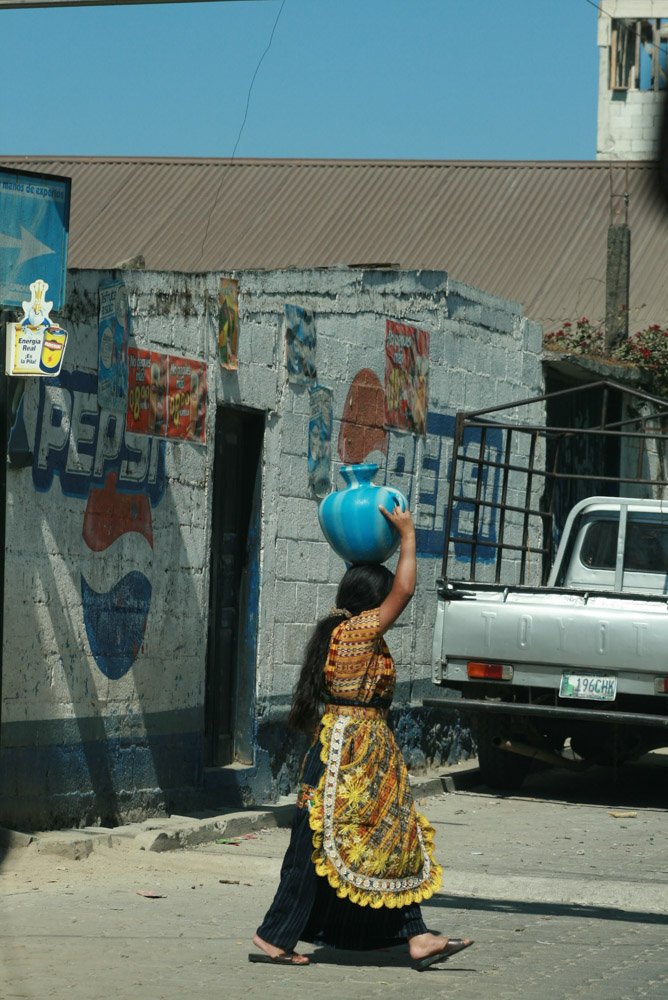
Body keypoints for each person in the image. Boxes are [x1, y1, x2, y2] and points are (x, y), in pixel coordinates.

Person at [250, 503, 473, 971]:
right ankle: (405, 936)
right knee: (363, 840)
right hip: (350, 755)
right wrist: (408, 535)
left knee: (355, 842)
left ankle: (407, 935)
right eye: (385, 597)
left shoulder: (341, 631)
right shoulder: (359, 632)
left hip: (349, 750)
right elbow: (408, 588)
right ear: (374, 601)